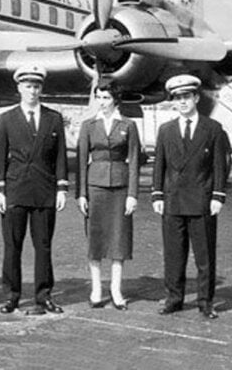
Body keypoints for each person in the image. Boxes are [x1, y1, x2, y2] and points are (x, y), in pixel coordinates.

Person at [0, 64, 68, 315]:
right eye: (28, 86)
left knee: (43, 247)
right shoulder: (7, 118)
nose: (32, 91)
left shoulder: (53, 118)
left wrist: (61, 188)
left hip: (44, 192)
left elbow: (60, 157)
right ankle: (12, 296)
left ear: (41, 89)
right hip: (15, 191)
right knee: (12, 247)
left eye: (36, 86)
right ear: (19, 88)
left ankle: (43, 295)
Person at [152, 74, 227, 320]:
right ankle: (174, 299)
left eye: (186, 97)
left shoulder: (213, 128)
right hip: (173, 201)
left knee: (205, 256)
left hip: (202, 200)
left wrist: (218, 195)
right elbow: (159, 166)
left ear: (196, 97)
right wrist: (157, 195)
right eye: (177, 98)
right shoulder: (166, 130)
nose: (182, 102)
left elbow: (220, 165)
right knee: (174, 255)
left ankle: (206, 302)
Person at [76, 81, 140, 310]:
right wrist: (81, 194)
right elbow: (82, 161)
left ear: (115, 99)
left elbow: (134, 161)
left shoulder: (129, 125)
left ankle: (116, 288)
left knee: (119, 239)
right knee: (95, 238)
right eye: (99, 97)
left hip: (121, 188)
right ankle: (96, 288)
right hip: (95, 187)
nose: (102, 102)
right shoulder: (88, 126)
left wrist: (133, 194)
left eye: (106, 97)